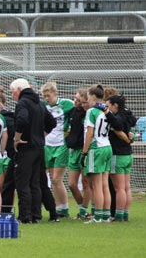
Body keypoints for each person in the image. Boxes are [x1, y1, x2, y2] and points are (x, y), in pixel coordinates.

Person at [10, 78, 56, 224]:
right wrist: (41, 134)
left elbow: (22, 120)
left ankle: (25, 216)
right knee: (35, 183)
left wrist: (17, 138)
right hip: (39, 149)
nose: (12, 96)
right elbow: (52, 122)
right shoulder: (39, 103)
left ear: (18, 90)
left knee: (22, 183)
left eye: (12, 93)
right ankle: (36, 215)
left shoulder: (23, 102)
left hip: (26, 148)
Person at [41, 82, 74, 218]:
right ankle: (58, 207)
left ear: (55, 94)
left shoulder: (67, 104)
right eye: (44, 96)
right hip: (47, 144)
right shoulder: (43, 106)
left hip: (61, 144)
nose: (46, 98)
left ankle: (64, 207)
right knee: (51, 178)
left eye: (48, 95)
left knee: (56, 179)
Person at [82, 85, 113, 223]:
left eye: (88, 97)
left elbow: (89, 134)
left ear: (93, 97)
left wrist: (84, 152)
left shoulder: (92, 112)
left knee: (97, 185)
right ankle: (106, 215)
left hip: (96, 148)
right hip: (107, 146)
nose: (87, 100)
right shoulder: (106, 110)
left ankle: (98, 216)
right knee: (105, 184)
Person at [106, 94, 136, 222]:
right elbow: (132, 121)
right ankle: (125, 214)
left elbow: (117, 125)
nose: (107, 108)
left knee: (119, 188)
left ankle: (118, 216)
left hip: (117, 155)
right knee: (126, 187)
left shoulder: (117, 118)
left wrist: (108, 114)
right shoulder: (127, 115)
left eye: (108, 106)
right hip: (128, 155)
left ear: (115, 105)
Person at [67, 88, 93, 219]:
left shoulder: (89, 114)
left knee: (86, 182)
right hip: (73, 151)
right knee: (71, 184)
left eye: (78, 100)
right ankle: (82, 208)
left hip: (85, 151)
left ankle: (84, 212)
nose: (75, 101)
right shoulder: (72, 112)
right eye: (75, 98)